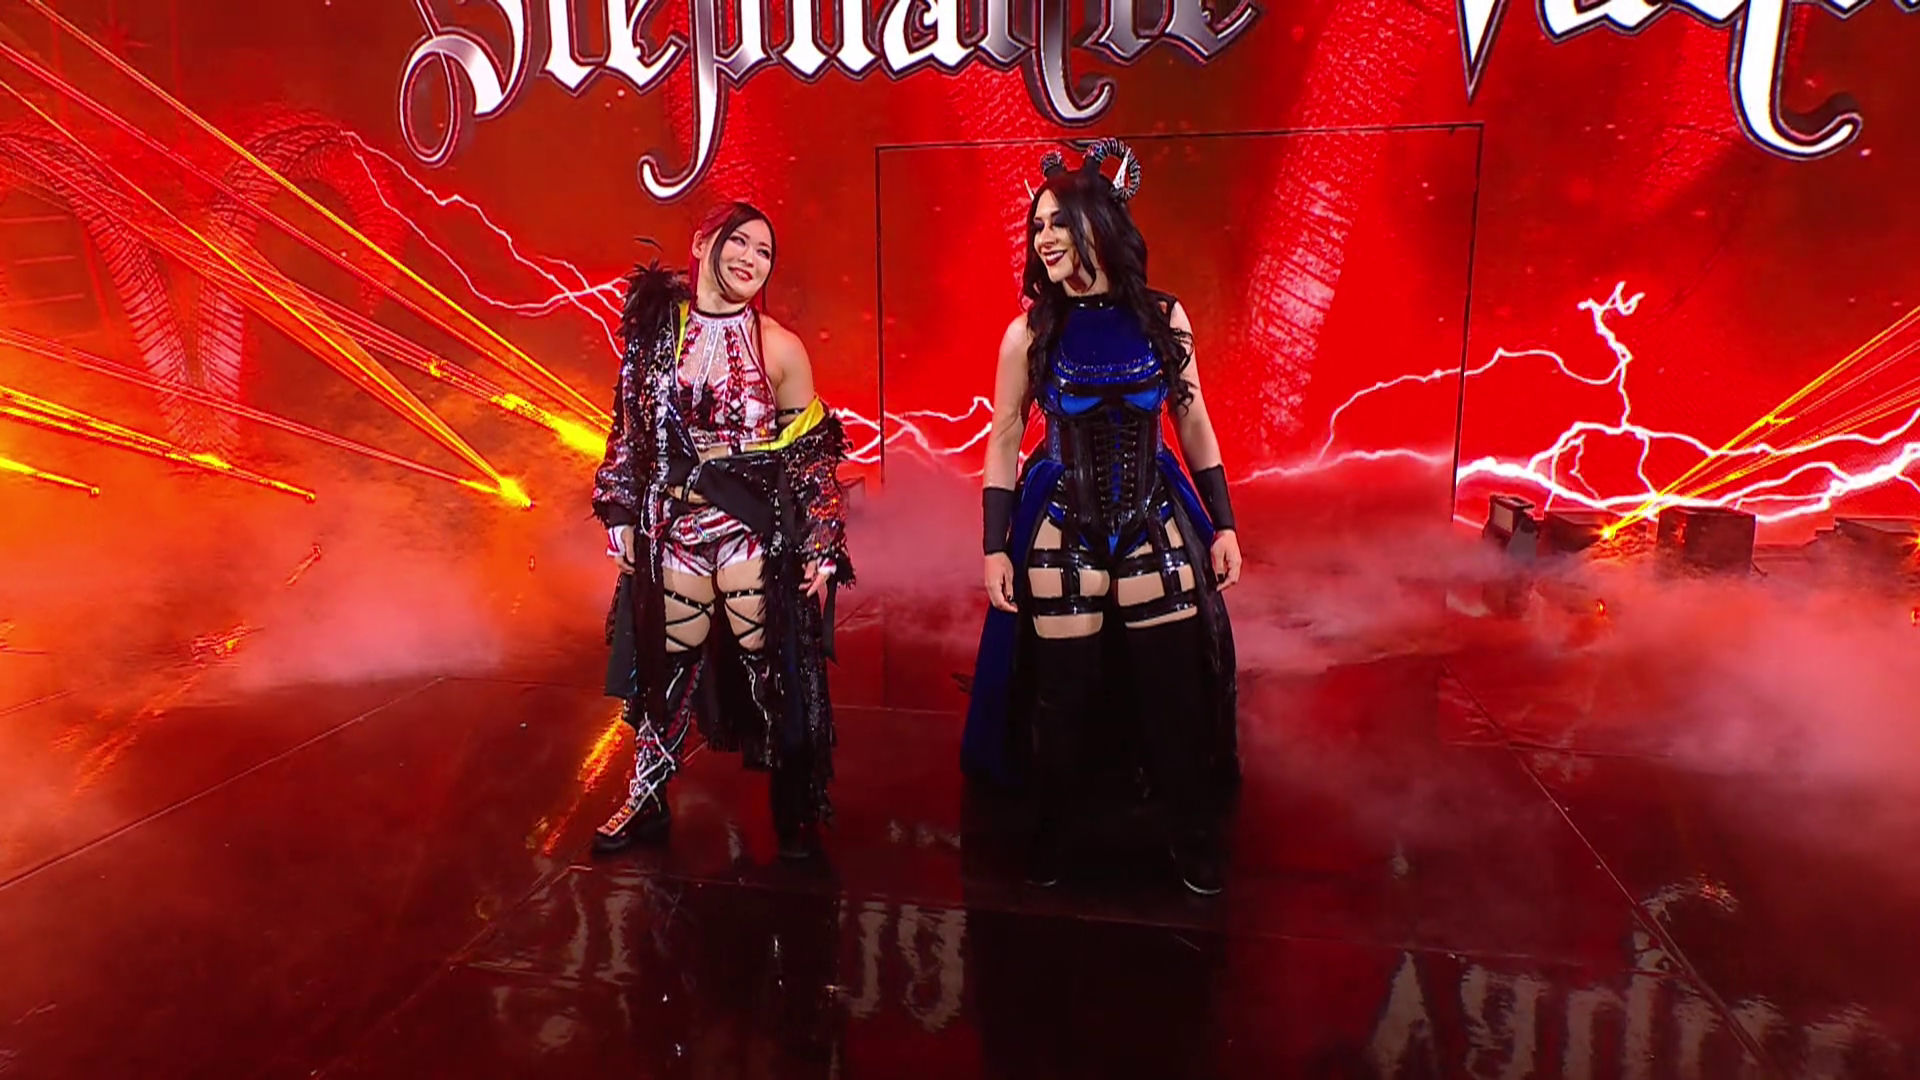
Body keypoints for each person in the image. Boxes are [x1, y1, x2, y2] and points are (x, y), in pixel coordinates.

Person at [961, 139, 1242, 896]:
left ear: (1100, 223)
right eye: (1037, 226)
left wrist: (1224, 523)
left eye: (1058, 222)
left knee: (1173, 689)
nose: (1043, 238)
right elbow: (1003, 437)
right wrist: (993, 547)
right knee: (1063, 693)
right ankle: (1053, 829)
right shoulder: (1029, 331)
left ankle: (1189, 832)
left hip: (1153, 513)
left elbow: (1194, 422)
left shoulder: (1163, 316)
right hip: (1061, 520)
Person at [590, 200, 853, 861]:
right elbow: (627, 429)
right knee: (666, 664)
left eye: (764, 252)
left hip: (751, 525)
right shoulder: (655, 334)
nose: (750, 259)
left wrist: (822, 542)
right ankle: (646, 795)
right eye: (740, 242)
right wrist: (618, 511)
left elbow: (812, 455)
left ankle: (795, 807)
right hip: (672, 524)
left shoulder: (781, 347)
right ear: (704, 241)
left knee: (773, 661)